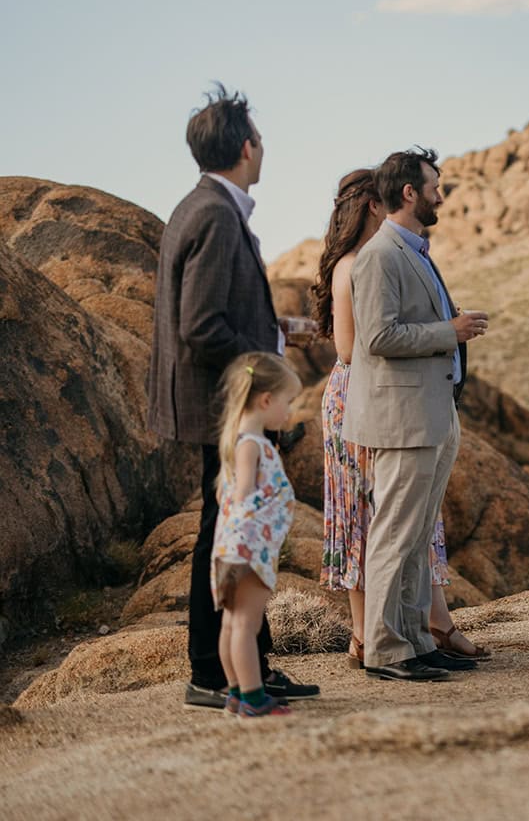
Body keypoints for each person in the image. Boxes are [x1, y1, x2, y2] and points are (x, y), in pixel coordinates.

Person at [146, 84, 319, 710]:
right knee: (224, 532)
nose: (264, 148)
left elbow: (213, 315)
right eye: (261, 139)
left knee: (226, 531)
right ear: (246, 147)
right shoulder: (216, 215)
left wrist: (281, 332)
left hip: (211, 401)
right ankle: (216, 675)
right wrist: (265, 366)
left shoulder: (203, 206)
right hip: (219, 404)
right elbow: (201, 326)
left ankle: (247, 668)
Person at [311, 169, 487, 669]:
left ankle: (419, 640)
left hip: (427, 406)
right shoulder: (374, 258)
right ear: (401, 195)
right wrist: (447, 331)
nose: (441, 194)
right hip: (386, 407)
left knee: (413, 531)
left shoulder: (411, 251)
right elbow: (368, 341)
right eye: (434, 185)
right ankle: (382, 646)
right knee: (386, 529)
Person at [211, 352, 302, 718]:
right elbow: (243, 492)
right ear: (266, 400)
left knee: (232, 623)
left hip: (230, 548)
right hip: (250, 549)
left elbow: (225, 493)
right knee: (247, 625)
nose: (289, 412)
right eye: (287, 402)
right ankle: (253, 698)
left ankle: (235, 693)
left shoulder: (235, 439)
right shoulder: (253, 444)